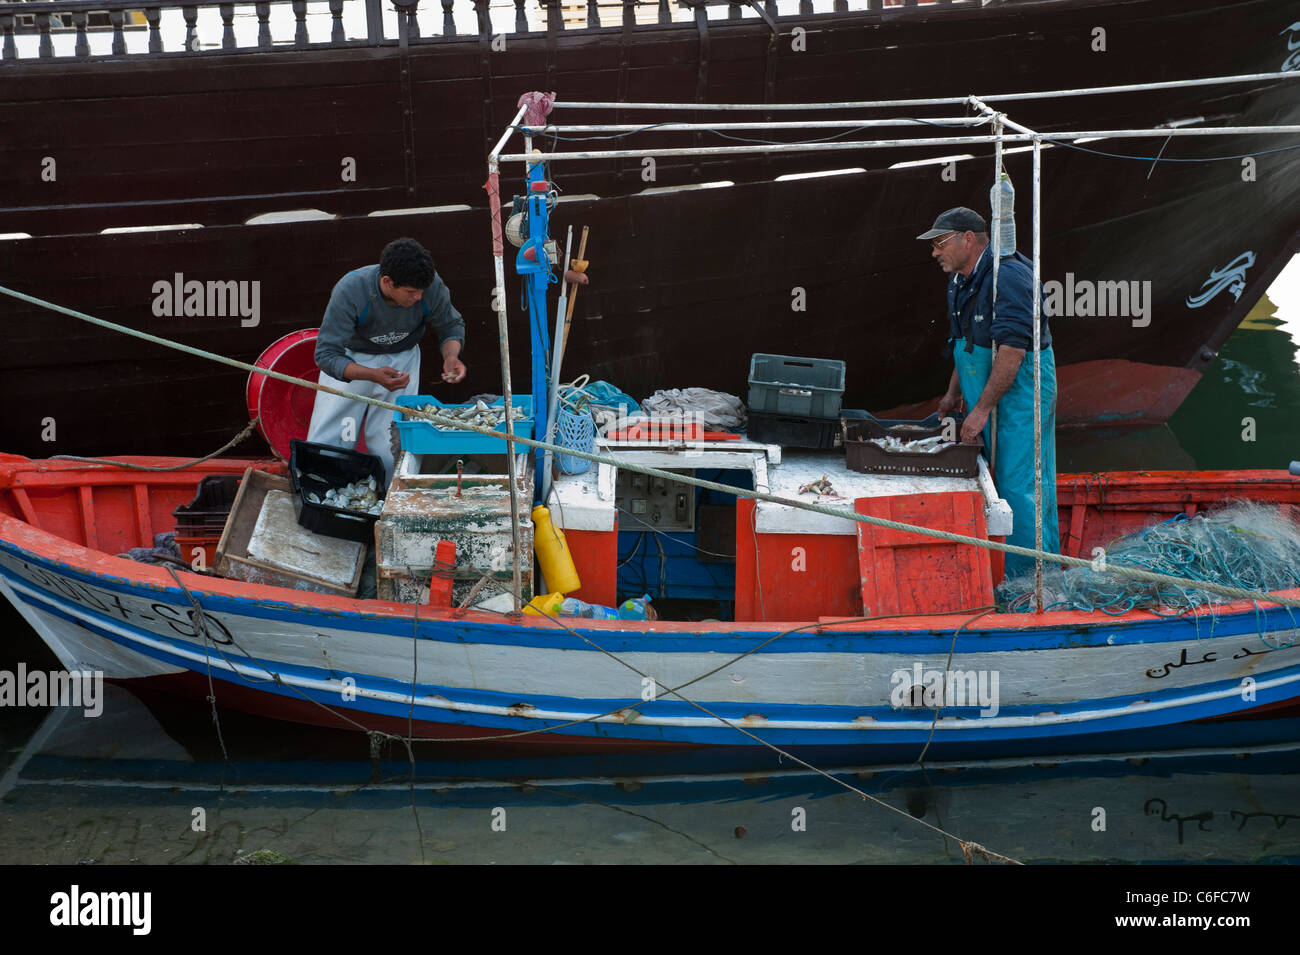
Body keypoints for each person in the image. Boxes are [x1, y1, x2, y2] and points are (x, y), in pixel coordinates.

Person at [917, 206, 1059, 580]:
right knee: (1000, 478)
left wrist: (980, 411)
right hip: (990, 393)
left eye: (939, 243)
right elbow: (964, 343)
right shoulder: (960, 279)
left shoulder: (1008, 277)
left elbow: (1012, 352)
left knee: (1019, 486)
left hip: (1021, 395)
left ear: (968, 238)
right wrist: (952, 394)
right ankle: (1009, 567)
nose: (934, 253)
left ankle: (1031, 582)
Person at [308, 237, 466, 483]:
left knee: (390, 443)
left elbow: (451, 325)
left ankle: (390, 495)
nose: (418, 298)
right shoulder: (351, 290)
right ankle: (321, 494)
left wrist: (451, 356)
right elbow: (326, 354)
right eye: (411, 292)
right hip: (352, 361)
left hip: (403, 360)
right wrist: (372, 375)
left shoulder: (429, 285)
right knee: (332, 440)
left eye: (421, 291)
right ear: (387, 282)